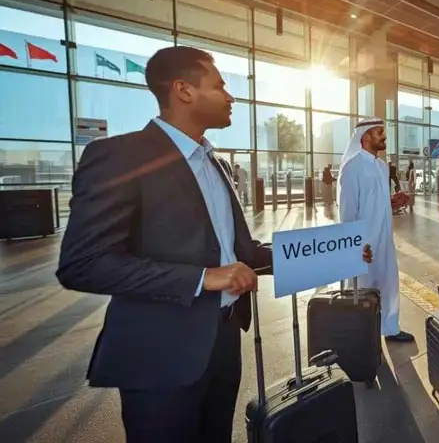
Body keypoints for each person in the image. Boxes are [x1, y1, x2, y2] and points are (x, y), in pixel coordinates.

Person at [55, 46, 373, 443]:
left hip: (222, 341)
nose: (230, 96)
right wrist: (202, 278)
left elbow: (242, 254)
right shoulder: (119, 156)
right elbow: (84, 263)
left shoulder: (214, 164)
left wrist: (336, 254)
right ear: (184, 90)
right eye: (220, 85)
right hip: (160, 357)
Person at [338, 117, 415, 342]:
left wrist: (393, 201)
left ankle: (390, 328)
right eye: (379, 132)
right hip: (364, 242)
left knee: (388, 282)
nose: (384, 136)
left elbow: (376, 201)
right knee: (363, 288)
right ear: (365, 136)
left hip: (385, 237)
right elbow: (347, 211)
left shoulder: (381, 167)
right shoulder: (352, 168)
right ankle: (363, 337)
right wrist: (354, 245)